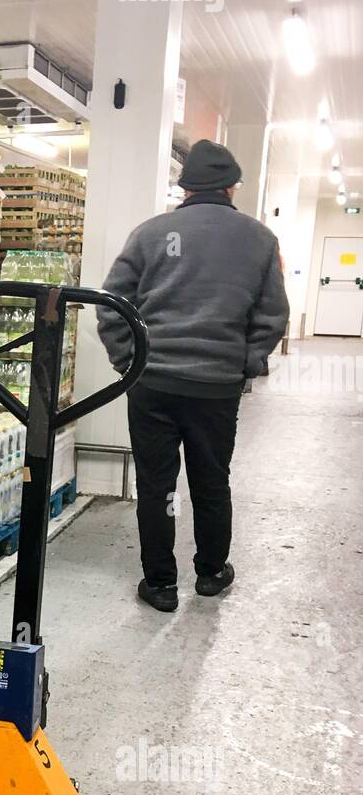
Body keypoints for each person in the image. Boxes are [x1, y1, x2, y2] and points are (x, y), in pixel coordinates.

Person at [98, 140, 289, 613]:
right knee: (210, 481)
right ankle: (210, 573)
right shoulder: (260, 239)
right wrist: (245, 364)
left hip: (153, 384)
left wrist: (128, 362)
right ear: (232, 186)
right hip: (216, 387)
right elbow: (272, 314)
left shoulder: (150, 233)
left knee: (157, 484)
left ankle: (161, 584)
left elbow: (112, 305)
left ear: (183, 187)